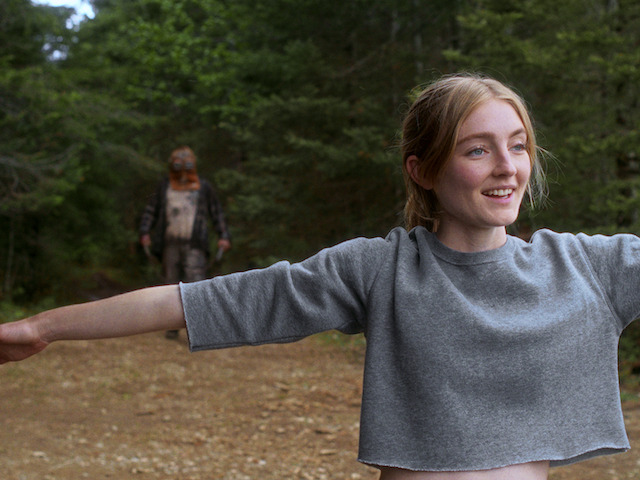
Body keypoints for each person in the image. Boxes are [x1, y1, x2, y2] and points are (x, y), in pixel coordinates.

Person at [1, 72, 638, 480]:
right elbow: (200, 301)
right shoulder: (380, 270)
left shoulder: (586, 267)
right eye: (478, 149)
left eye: (518, 145)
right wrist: (41, 328)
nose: (508, 167)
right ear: (422, 169)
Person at [138, 145, 231, 339]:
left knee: (195, 284)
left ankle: (198, 329)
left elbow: (216, 213)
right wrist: (145, 231)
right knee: (170, 285)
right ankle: (172, 326)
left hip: (195, 244)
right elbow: (151, 211)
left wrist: (223, 235)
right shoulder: (165, 186)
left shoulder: (203, 187)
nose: (182, 169)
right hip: (170, 243)